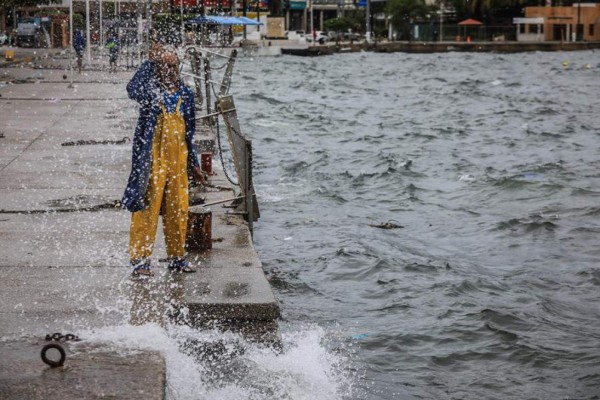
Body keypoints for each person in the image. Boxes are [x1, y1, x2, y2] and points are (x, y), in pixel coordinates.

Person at [122, 43, 205, 277]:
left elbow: (189, 134)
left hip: (178, 161)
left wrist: (194, 165)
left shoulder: (186, 95)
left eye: (173, 65)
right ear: (157, 69)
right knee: (146, 209)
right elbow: (132, 88)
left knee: (178, 209)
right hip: (153, 161)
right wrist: (150, 63)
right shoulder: (150, 93)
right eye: (165, 66)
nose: (170, 70)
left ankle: (177, 258)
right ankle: (140, 261)